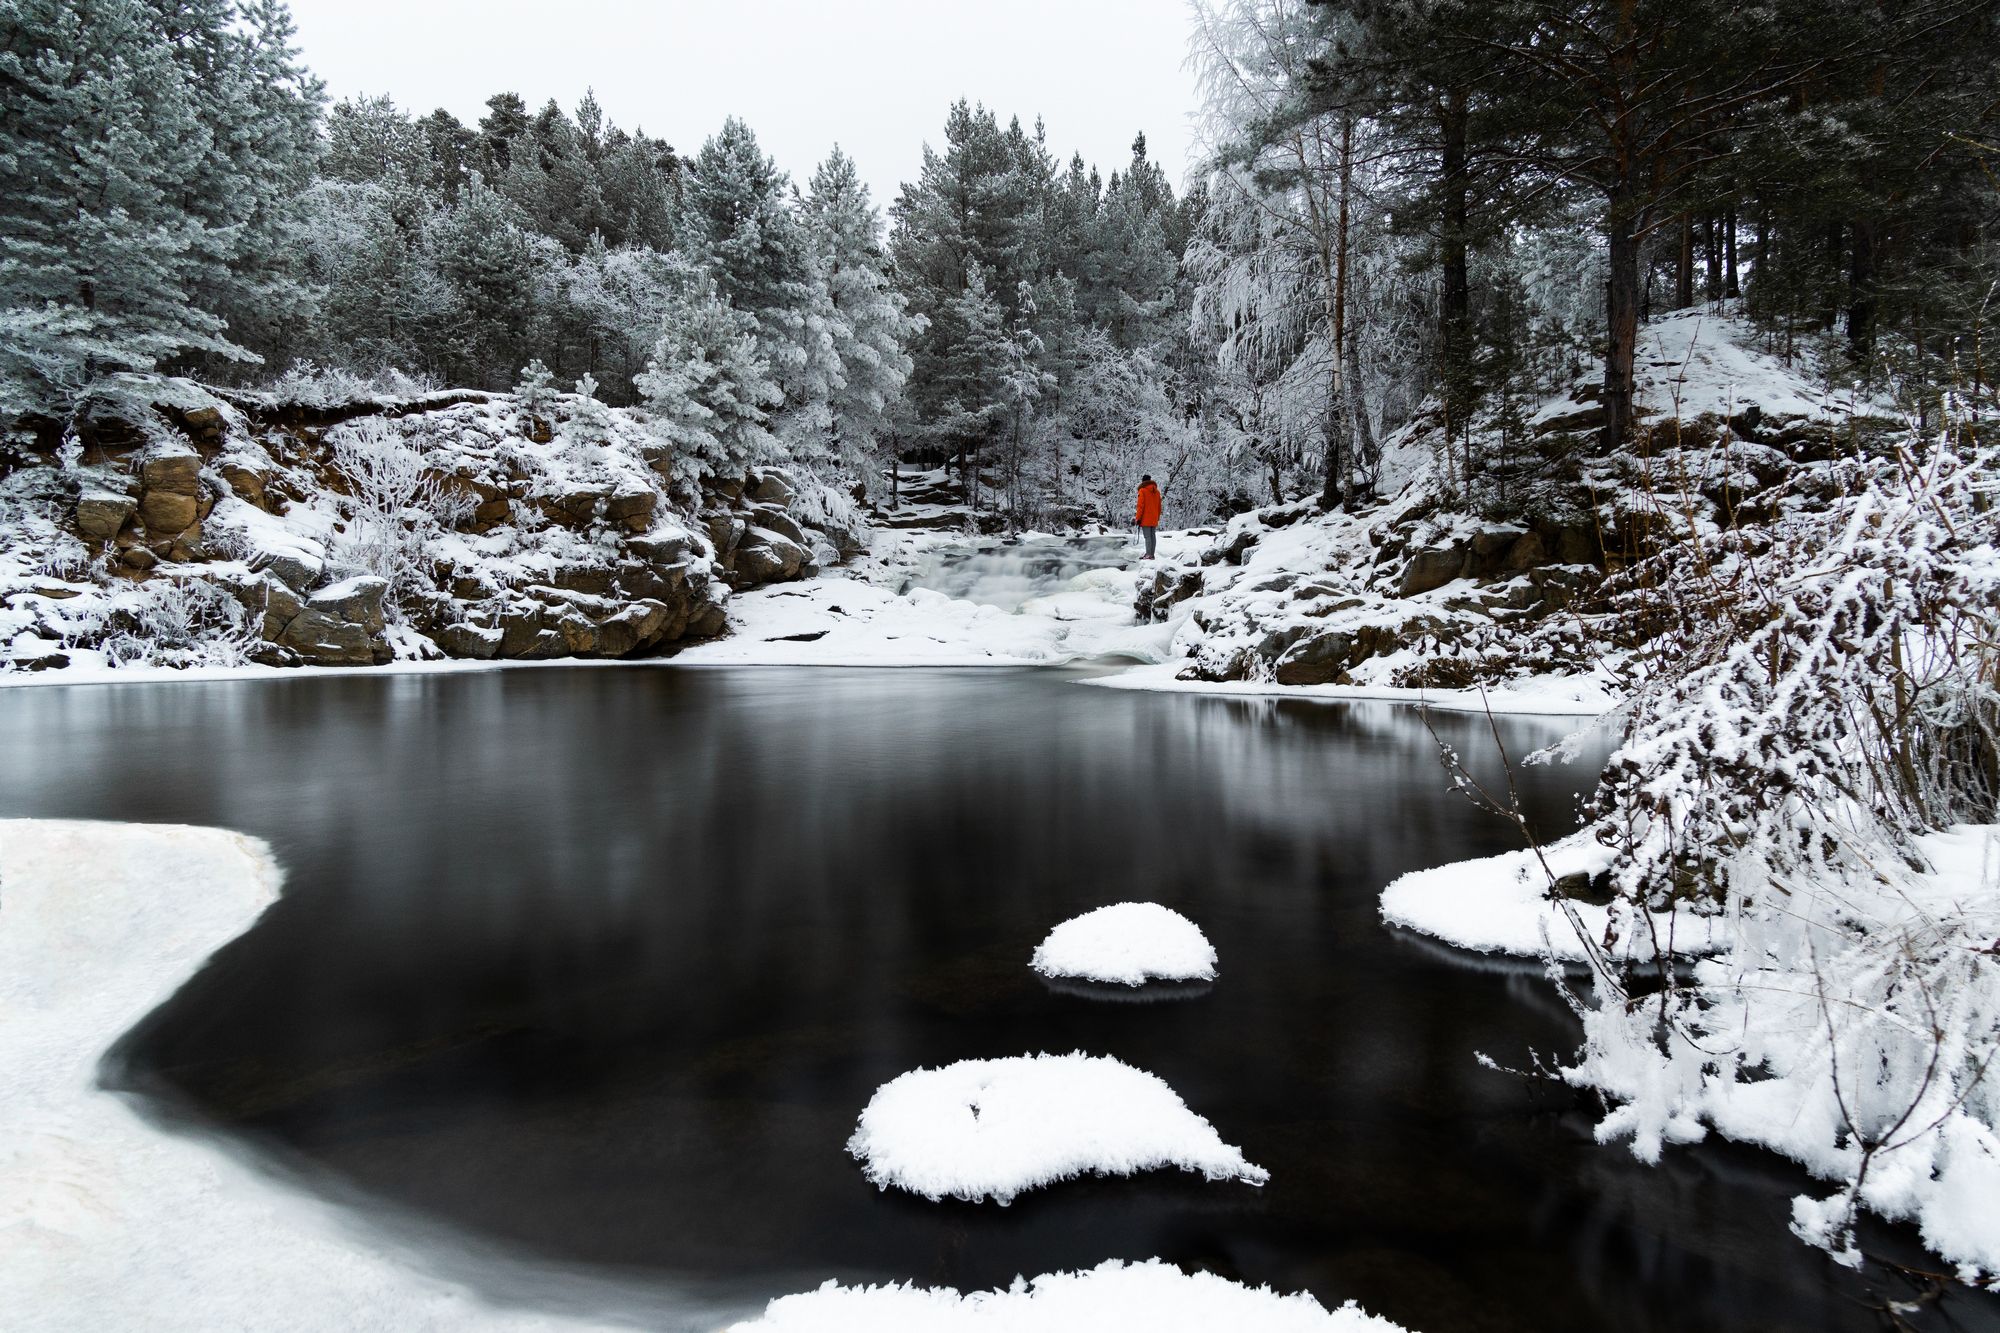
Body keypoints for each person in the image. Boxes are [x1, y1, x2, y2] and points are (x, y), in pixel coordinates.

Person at [1134, 474, 1162, 559]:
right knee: (1152, 536)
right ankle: (1151, 554)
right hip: (1154, 518)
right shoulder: (1157, 492)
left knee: (1147, 537)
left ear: (1143, 481)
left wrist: (1138, 518)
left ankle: (1148, 555)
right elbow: (1159, 507)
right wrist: (1157, 518)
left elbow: (1140, 506)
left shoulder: (1142, 490)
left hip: (1145, 518)